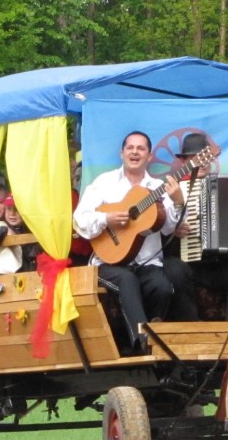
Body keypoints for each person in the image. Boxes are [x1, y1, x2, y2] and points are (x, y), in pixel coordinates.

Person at [73, 131, 185, 353]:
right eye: (130, 148)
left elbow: (170, 227)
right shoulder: (104, 183)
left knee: (162, 287)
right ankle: (143, 343)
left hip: (146, 264)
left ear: (149, 156)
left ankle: (151, 341)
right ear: (121, 153)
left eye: (141, 148)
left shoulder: (157, 187)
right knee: (127, 280)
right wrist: (107, 218)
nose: (135, 152)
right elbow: (79, 220)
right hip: (108, 262)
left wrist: (179, 202)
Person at [163, 132, 228, 321]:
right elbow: (159, 227)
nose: (202, 162)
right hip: (186, 261)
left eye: (205, 157)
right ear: (185, 161)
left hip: (219, 261)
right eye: (195, 158)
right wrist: (174, 229)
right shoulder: (172, 188)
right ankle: (191, 328)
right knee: (174, 271)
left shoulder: (225, 185)